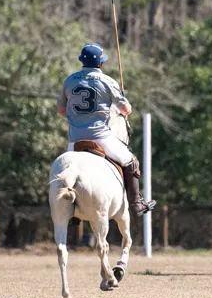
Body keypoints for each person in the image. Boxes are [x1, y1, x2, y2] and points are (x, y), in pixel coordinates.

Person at [57, 43, 155, 216]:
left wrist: (78, 120)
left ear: (82, 61)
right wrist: (122, 98)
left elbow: (61, 111)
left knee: (65, 172)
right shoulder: (108, 81)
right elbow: (126, 110)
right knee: (131, 161)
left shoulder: (70, 80)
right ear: (101, 63)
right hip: (100, 137)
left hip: (74, 140)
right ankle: (136, 204)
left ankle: (69, 210)